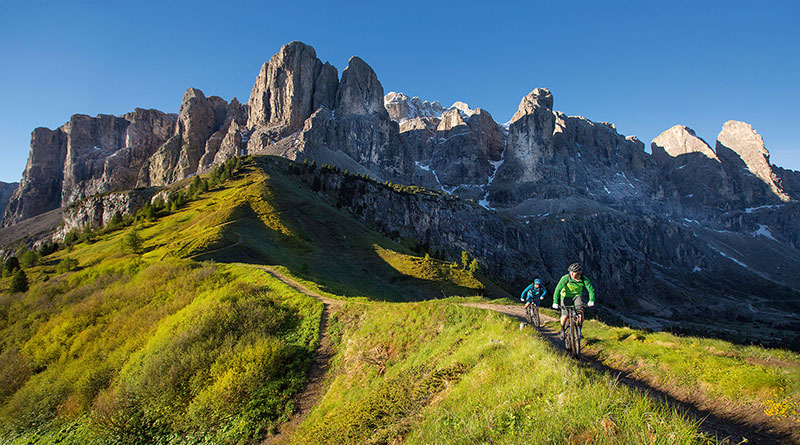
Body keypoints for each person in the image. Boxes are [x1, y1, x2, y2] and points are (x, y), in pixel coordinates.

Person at [551, 263, 596, 339]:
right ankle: (562, 329)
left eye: (574, 272)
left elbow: (591, 290)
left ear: (579, 272)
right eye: (571, 272)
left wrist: (591, 300)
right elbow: (557, 290)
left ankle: (579, 331)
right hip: (565, 296)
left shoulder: (584, 279)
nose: (571, 274)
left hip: (577, 296)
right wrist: (555, 302)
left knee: (580, 313)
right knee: (565, 315)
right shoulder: (565, 278)